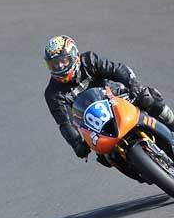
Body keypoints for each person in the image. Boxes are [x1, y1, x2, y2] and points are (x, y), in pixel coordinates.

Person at [43, 35, 174, 167]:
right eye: (54, 64)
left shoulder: (88, 60)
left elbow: (117, 70)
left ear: (73, 55)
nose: (59, 67)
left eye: (63, 61)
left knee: (147, 97)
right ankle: (143, 170)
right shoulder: (53, 93)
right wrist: (76, 143)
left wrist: (134, 85)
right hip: (96, 126)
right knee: (105, 158)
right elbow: (64, 122)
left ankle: (172, 123)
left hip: (117, 99)